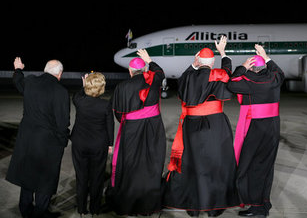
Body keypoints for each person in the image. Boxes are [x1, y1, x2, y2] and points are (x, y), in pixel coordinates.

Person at [163, 36, 240, 217]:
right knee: (216, 163)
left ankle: (194, 207)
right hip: (215, 125)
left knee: (192, 164)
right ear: (212, 62)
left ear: (197, 61)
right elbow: (227, 71)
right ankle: (213, 207)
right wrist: (223, 52)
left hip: (191, 125)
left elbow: (183, 79)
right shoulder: (218, 74)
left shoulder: (188, 77)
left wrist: (194, 64)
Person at [6, 57, 70, 218]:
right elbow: (63, 123)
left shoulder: (31, 82)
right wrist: (62, 141)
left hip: (27, 139)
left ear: (45, 70)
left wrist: (18, 69)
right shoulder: (60, 92)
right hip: (48, 143)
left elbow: (18, 82)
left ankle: (25, 209)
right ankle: (40, 211)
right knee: (45, 179)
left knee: (28, 175)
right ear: (60, 74)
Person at [105, 49, 166, 216]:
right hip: (153, 128)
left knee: (130, 164)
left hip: (131, 128)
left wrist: (128, 121)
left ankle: (128, 202)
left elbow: (117, 112)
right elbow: (160, 72)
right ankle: (148, 203)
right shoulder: (154, 81)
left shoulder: (122, 87)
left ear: (130, 71)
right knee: (151, 163)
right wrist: (149, 60)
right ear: (144, 70)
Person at [227, 44, 285, 217]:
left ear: (252, 67)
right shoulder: (275, 78)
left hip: (256, 127)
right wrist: (266, 56)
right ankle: (264, 203)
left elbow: (231, 83)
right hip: (273, 126)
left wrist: (243, 67)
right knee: (267, 165)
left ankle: (257, 207)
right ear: (265, 67)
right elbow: (278, 71)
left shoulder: (249, 82)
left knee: (252, 166)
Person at [70, 72, 114, 217]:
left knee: (81, 177)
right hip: (98, 144)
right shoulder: (105, 105)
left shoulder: (79, 101)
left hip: (80, 143)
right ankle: (95, 208)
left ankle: (82, 208)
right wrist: (110, 143)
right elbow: (110, 125)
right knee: (97, 178)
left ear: (87, 86)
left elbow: (76, 96)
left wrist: (84, 86)